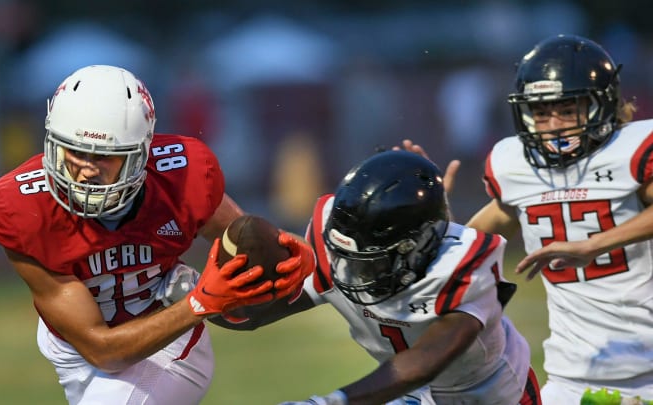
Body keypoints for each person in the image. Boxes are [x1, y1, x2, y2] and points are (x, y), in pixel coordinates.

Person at [0, 65, 313, 404]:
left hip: (167, 340)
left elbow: (247, 239)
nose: (85, 169)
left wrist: (295, 253)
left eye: (104, 156)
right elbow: (100, 348)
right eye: (75, 150)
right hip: (79, 351)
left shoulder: (180, 180)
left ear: (141, 155)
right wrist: (202, 301)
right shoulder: (21, 207)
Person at [402, 34, 653, 404]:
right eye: (540, 110)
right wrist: (433, 209)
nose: (552, 124)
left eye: (567, 109)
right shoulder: (516, 167)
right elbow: (466, 247)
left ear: (601, 105)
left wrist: (595, 244)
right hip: (572, 376)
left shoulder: (627, 152)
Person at [210, 151, 541, 405]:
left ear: (421, 245)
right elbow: (249, 316)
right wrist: (206, 297)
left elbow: (422, 363)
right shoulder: (339, 246)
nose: (353, 273)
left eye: (372, 262)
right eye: (348, 259)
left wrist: (330, 402)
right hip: (414, 395)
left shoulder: (462, 266)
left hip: (491, 397)